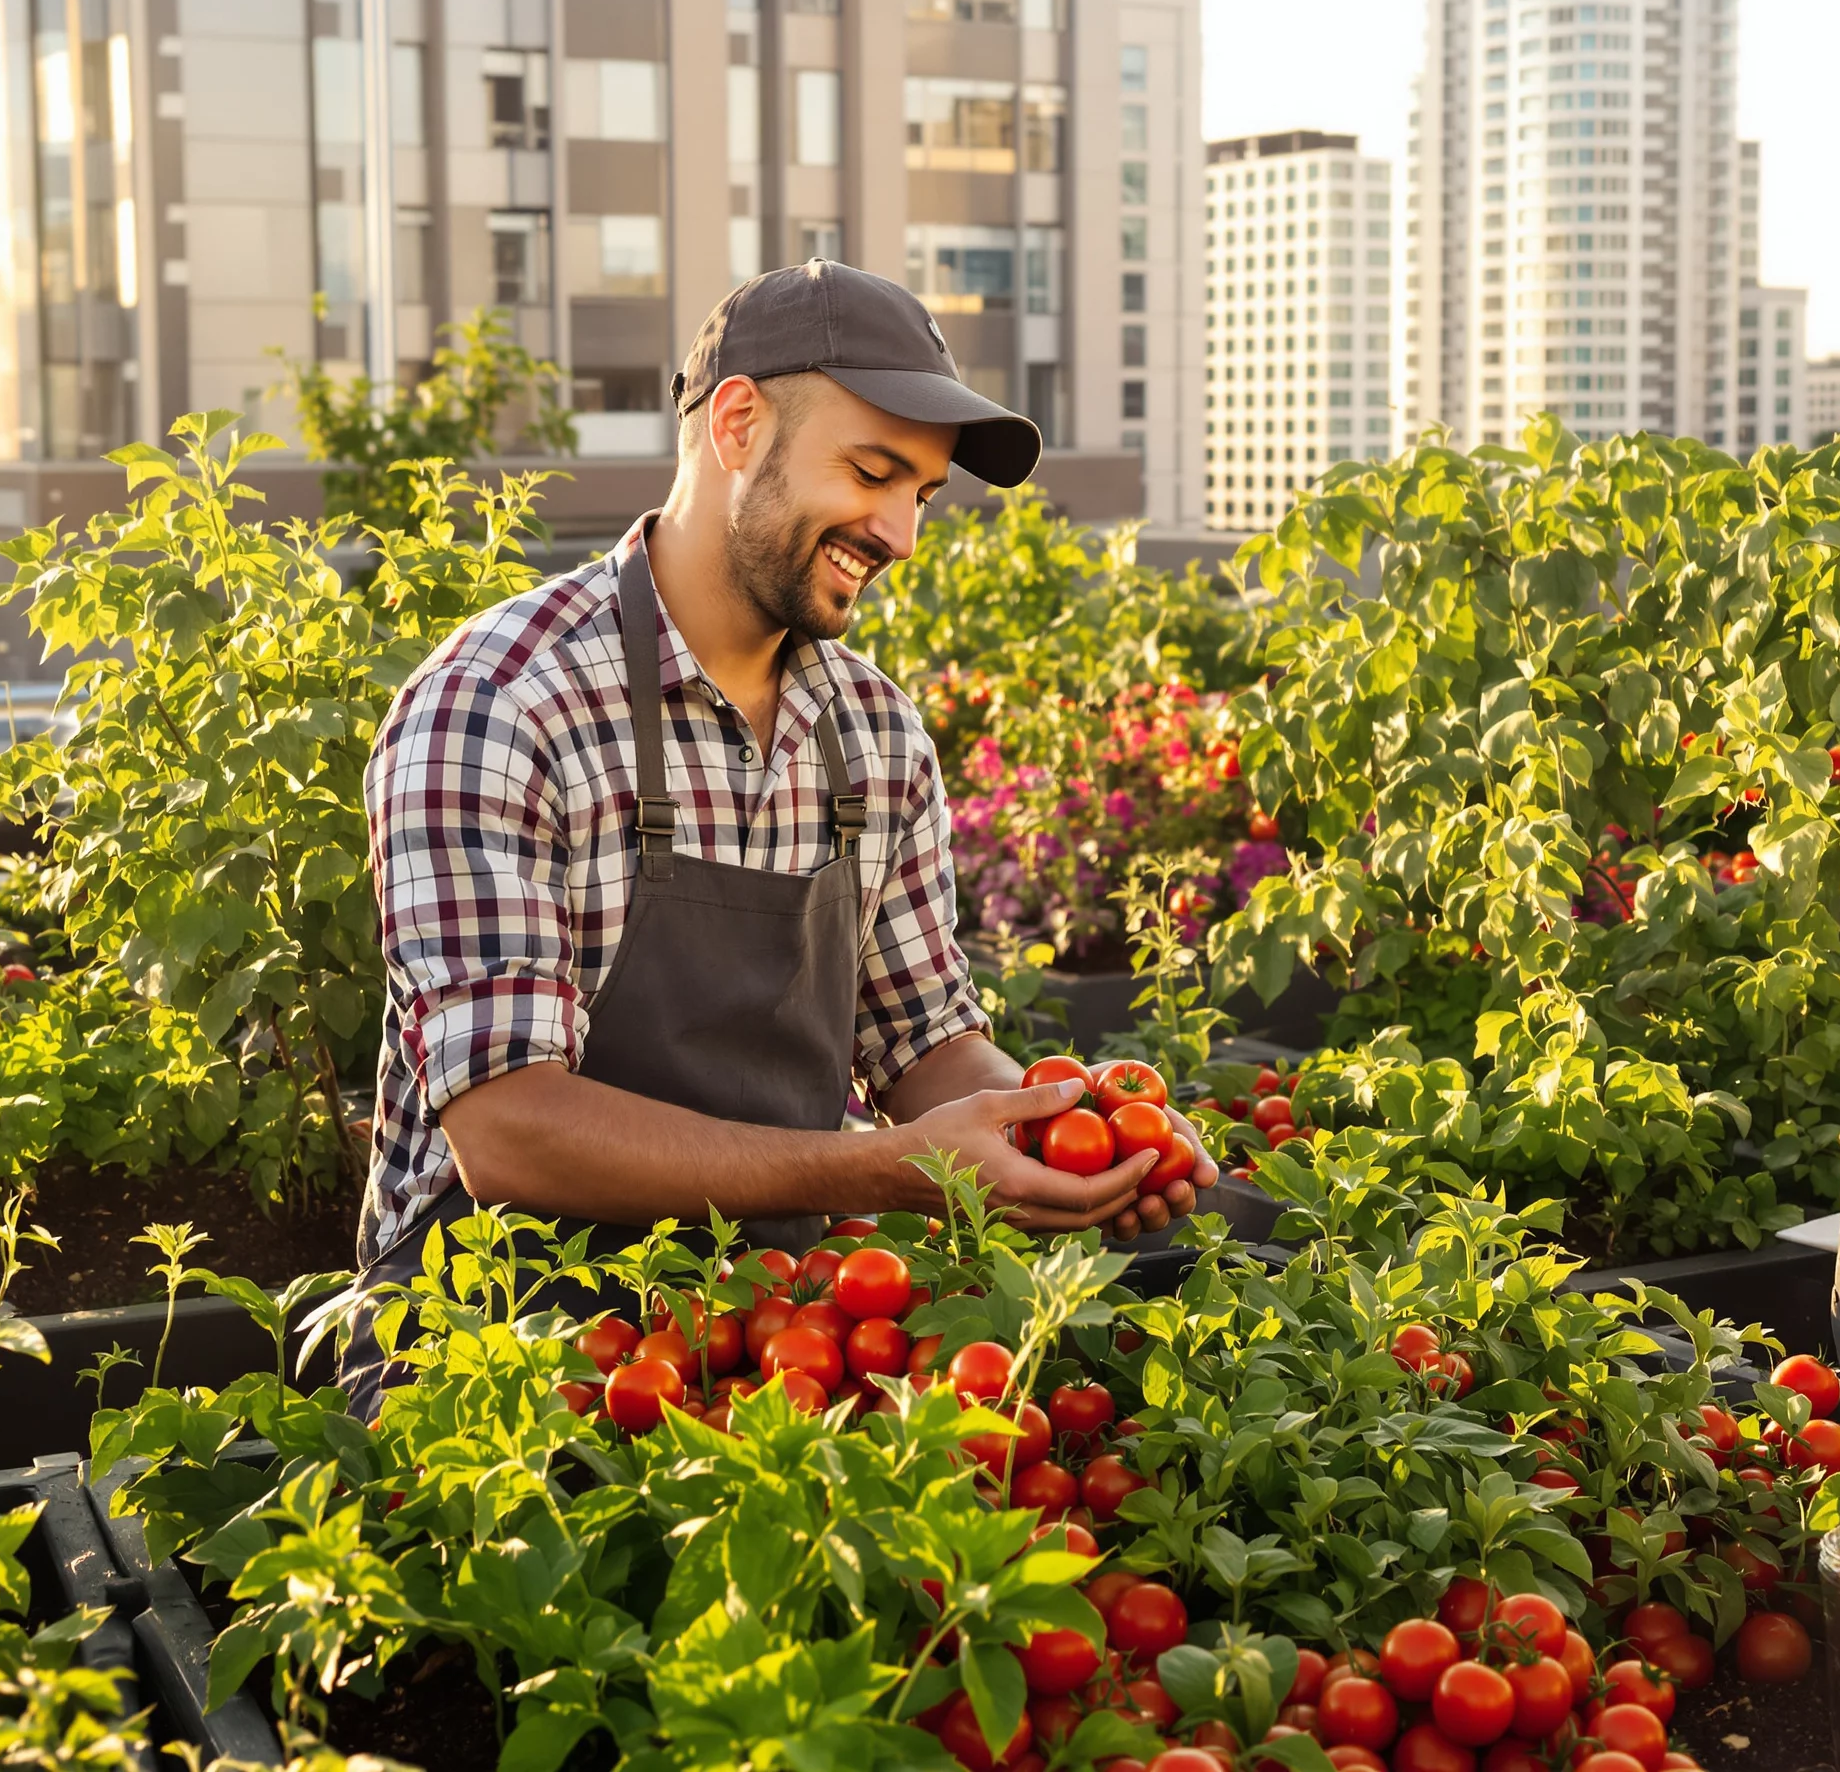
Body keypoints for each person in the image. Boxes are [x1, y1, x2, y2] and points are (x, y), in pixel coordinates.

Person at [339, 260, 1216, 1416]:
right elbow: (508, 1128)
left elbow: (924, 1044)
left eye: (924, 494)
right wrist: (876, 1170)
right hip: (490, 1355)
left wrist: (1069, 1133)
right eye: (871, 472)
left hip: (775, 1334)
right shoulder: (501, 702)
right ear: (738, 423)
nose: (899, 530)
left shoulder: (872, 733)